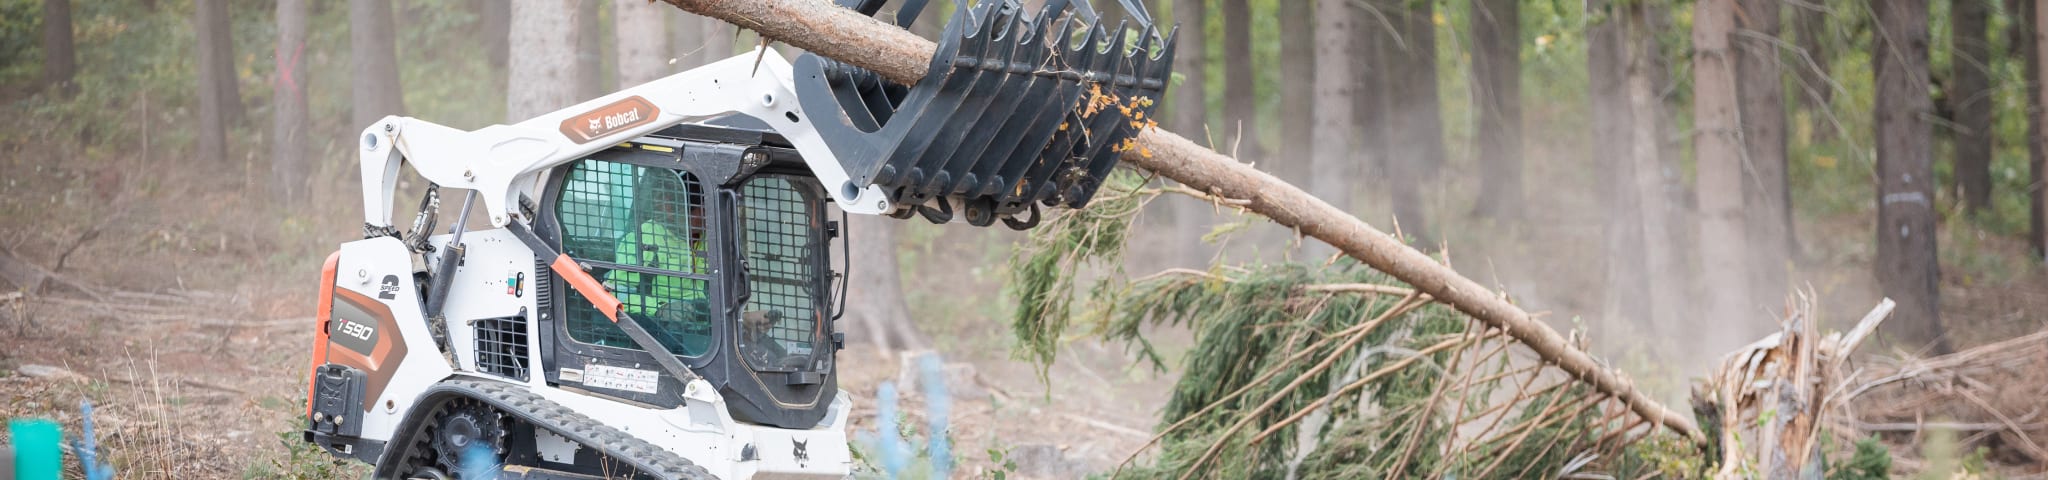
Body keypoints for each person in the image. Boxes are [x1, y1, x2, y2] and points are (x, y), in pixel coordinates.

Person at [604, 169, 713, 355]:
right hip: (657, 336)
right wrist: (661, 308)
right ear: (678, 208)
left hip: (702, 334)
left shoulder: (711, 241)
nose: (708, 216)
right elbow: (614, 296)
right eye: (703, 208)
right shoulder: (643, 239)